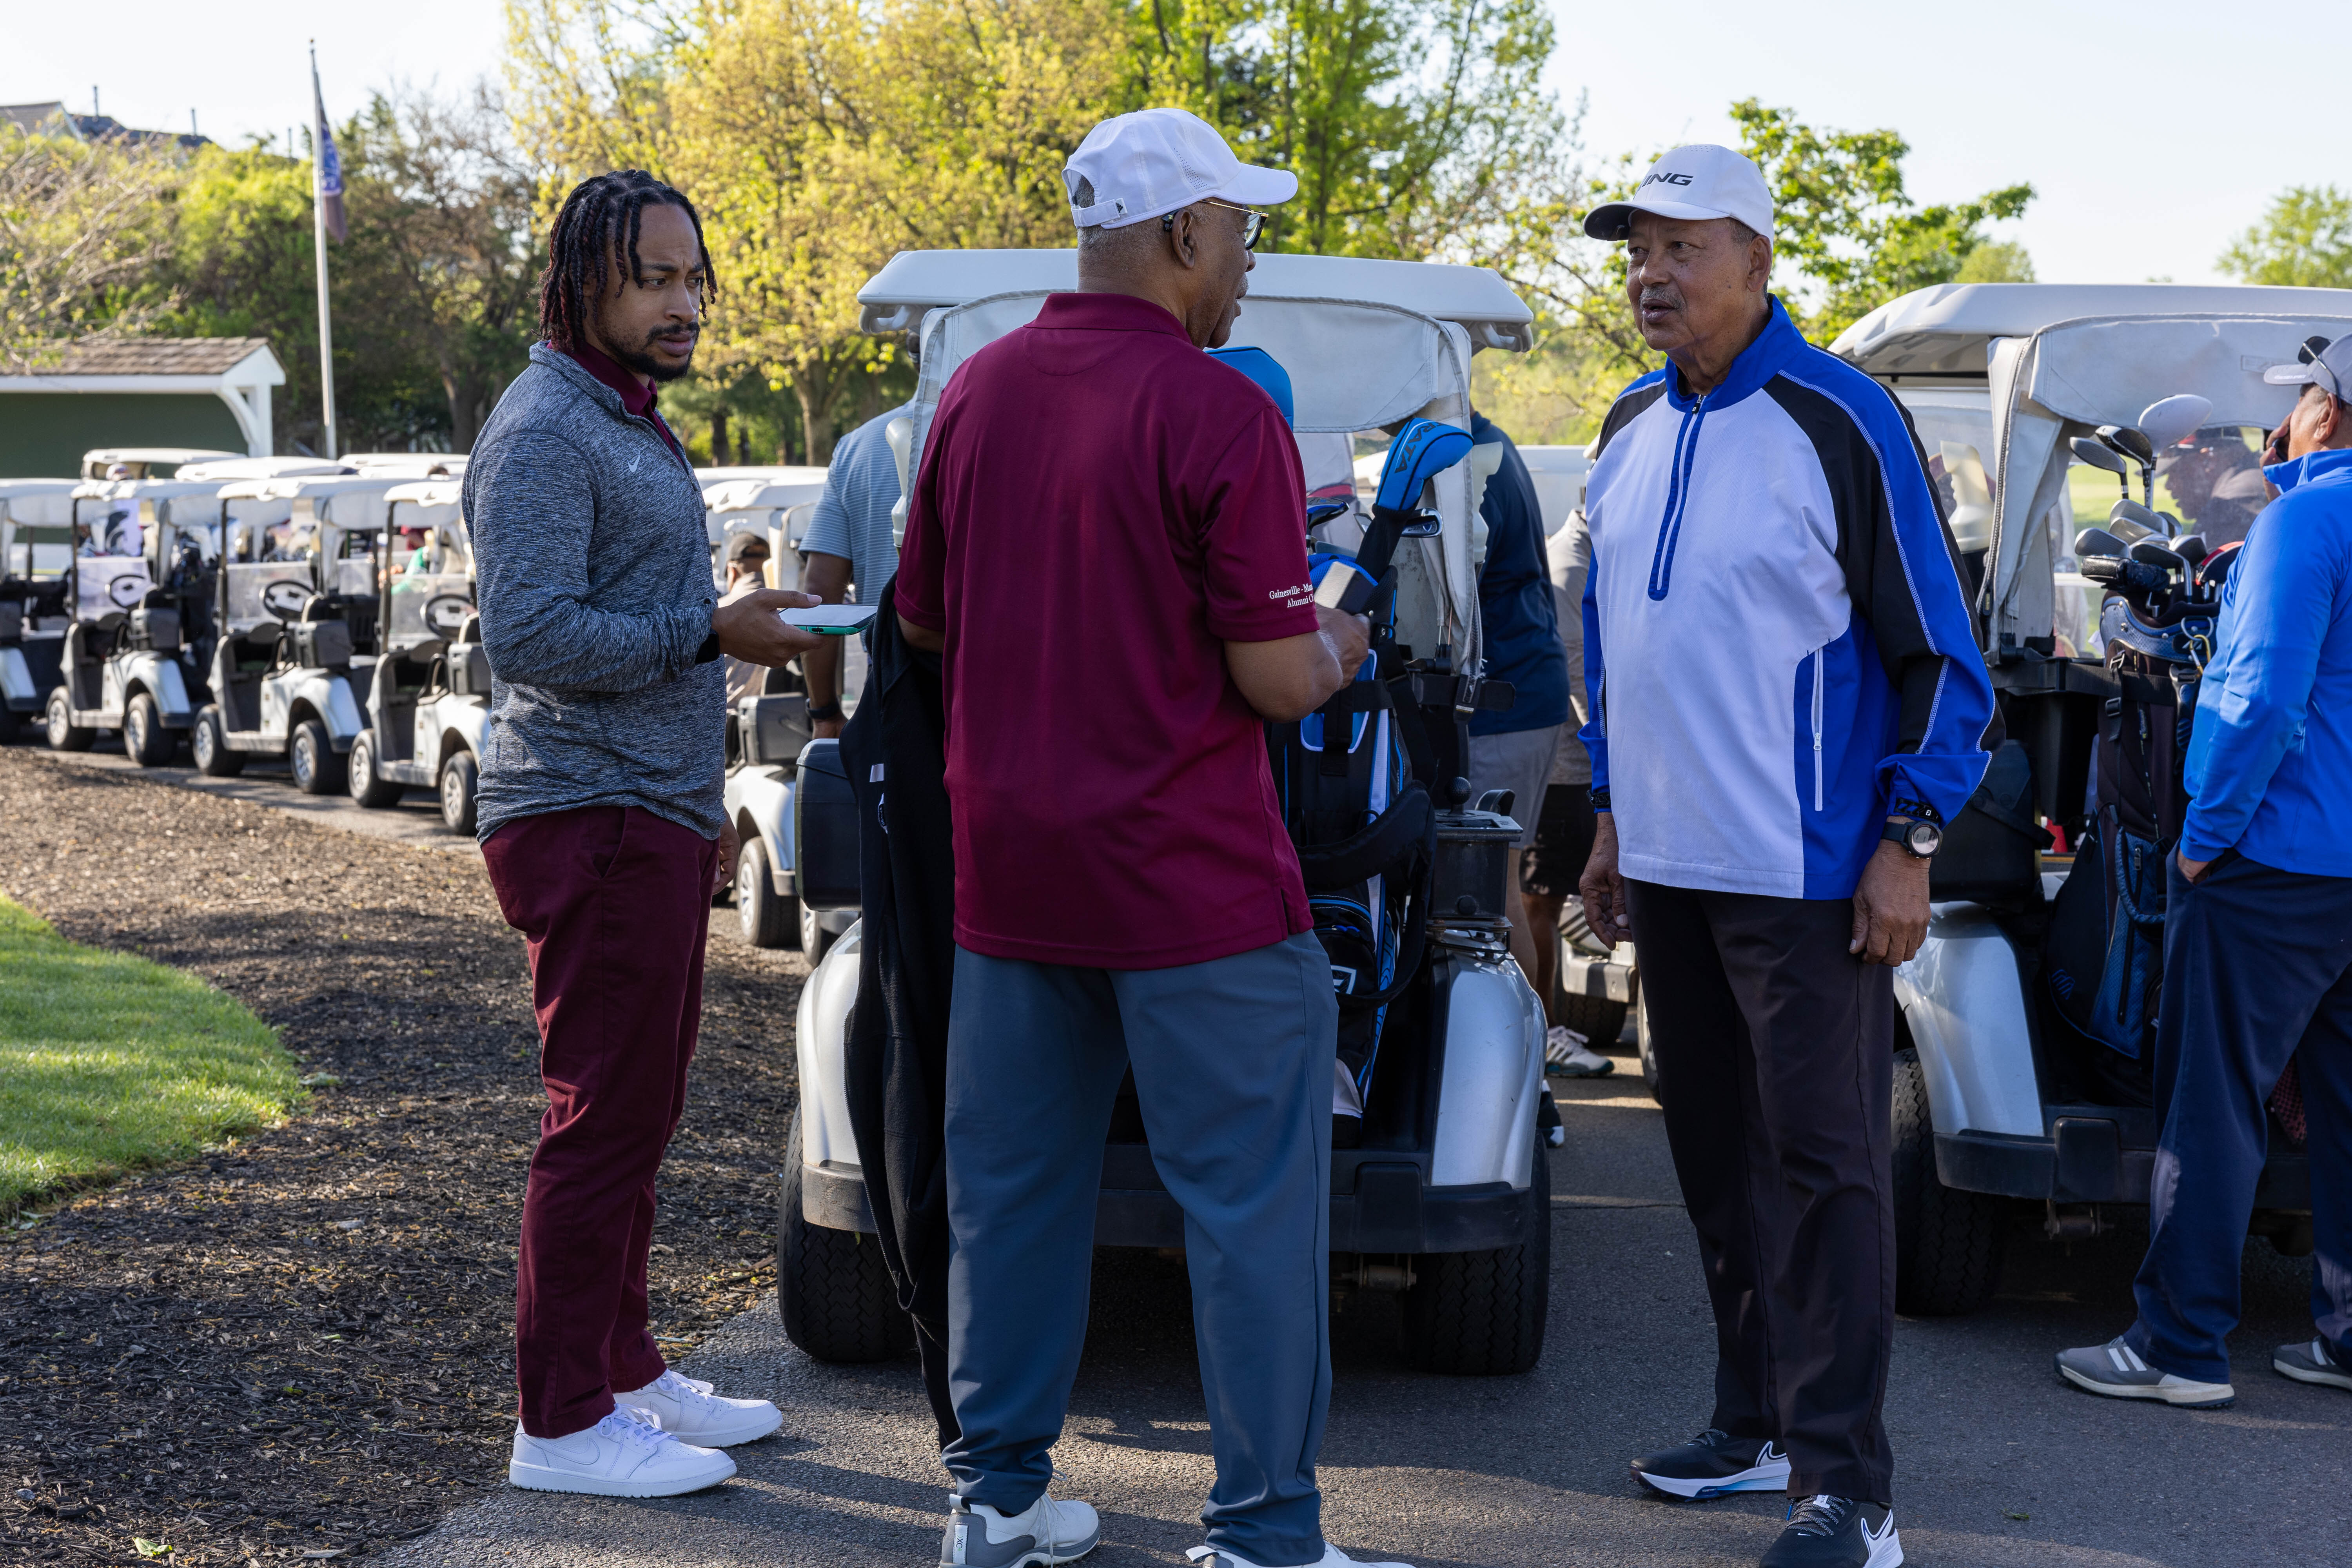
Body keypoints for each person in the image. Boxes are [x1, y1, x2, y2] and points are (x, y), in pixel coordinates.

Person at [893, 106, 1405, 1568]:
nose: (1247, 259)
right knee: (1248, 1214)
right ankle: (1263, 1532)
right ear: (1181, 232)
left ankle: (994, 1504)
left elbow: (921, 620)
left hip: (1012, 879)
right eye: (1239, 229)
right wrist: (1340, 640)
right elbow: (1276, 677)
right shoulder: (1218, 409)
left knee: (1010, 1201)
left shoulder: (975, 393)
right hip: (1193, 890)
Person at [1576, 144, 1993, 1568]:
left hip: (1807, 872)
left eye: (1680, 247)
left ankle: (1848, 1492)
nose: (1650, 274)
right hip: (1669, 865)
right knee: (1713, 1161)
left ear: (1755, 259)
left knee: (1826, 1172)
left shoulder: (1841, 416)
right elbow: (1612, 642)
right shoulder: (1627, 421)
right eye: (1636, 248)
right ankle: (1752, 1423)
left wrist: (1907, 839)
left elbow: (1941, 655)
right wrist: (1611, 814)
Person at [465, 168, 824, 1500]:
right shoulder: (547, 429)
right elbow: (531, 635)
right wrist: (710, 630)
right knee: (600, 1121)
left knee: (641, 1111)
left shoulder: (623, 413)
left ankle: (621, 1369)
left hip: (646, 808)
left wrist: (701, 787)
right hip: (583, 809)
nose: (686, 304)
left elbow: (637, 617)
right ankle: (561, 1423)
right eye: (655, 280)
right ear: (583, 282)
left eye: (693, 278)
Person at [2055, 334, 2352, 1409]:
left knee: (2212, 1096)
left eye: (2305, 395)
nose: (2289, 416)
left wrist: (2203, 837)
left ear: (2332, 412)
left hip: (2274, 860)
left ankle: (2179, 1345)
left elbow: (2260, 696)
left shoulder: (2304, 519)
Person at [1460, 410, 1572, 993]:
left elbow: (1456, 590)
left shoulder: (1471, 456)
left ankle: (1526, 1046)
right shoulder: (1486, 442)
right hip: (1520, 690)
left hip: (1506, 699)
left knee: (1491, 894)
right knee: (1494, 890)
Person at [1519, 500, 1615, 1076]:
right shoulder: (1570, 563)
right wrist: (1612, 747)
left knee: (1551, 900)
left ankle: (1550, 1026)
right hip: (1565, 767)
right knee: (1540, 902)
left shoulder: (1591, 552)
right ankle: (1545, 1032)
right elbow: (1578, 672)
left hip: (1579, 764)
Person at [800, 385, 915, 739]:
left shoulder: (858, 445)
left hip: (892, 686)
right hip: (1005, 679)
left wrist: (825, 713)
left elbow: (819, 593)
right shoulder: (1025, 424)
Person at [720, 530, 772, 703]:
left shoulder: (717, 612)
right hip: (787, 715)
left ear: (732, 571)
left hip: (729, 716)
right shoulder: (793, 608)